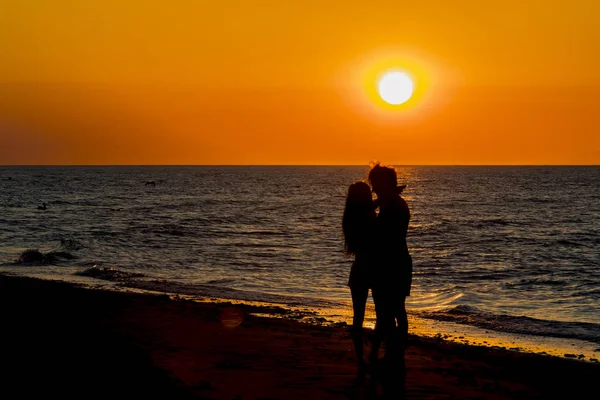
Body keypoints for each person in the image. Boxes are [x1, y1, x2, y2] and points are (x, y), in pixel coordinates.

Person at [368, 163, 412, 365]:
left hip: (393, 263)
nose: (374, 188)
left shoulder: (394, 205)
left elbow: (385, 235)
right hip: (392, 262)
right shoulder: (389, 202)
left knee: (391, 311)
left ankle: (394, 353)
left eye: (376, 183)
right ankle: (391, 353)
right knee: (389, 311)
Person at [342, 181, 378, 376]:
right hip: (371, 268)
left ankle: (362, 357)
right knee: (380, 314)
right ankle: (370, 353)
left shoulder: (351, 216)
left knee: (359, 316)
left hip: (359, 269)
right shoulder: (364, 216)